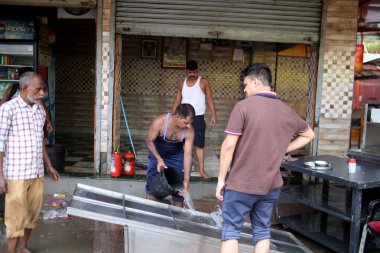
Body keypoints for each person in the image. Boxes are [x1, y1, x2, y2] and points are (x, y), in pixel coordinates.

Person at [215, 64, 315, 253]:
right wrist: (283, 148)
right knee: (262, 231)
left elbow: (228, 146)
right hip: (271, 185)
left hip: (241, 184)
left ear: (256, 82)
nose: (244, 89)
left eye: (245, 85)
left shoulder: (243, 107)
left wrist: (221, 179)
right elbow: (309, 134)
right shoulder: (287, 111)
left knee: (231, 231)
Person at [0, 72, 60, 253]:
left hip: (36, 172)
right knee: (15, 219)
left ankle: (22, 247)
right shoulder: (7, 109)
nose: (43, 92)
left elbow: (38, 141)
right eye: (38, 89)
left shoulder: (40, 110)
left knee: (32, 215)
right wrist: (0, 175)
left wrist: (48, 165)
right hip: (16, 175)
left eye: (43, 89)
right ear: (25, 89)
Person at [171, 60, 217, 179]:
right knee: (183, 144)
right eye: (189, 72)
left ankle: (201, 170)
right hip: (182, 118)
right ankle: (184, 169)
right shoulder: (182, 83)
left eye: (194, 72)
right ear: (186, 72)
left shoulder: (203, 82)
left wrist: (214, 114)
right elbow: (177, 100)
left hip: (198, 118)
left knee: (199, 146)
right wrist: (173, 115)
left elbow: (210, 99)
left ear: (197, 71)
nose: (192, 74)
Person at [145, 104, 195, 207]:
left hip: (176, 157)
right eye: (186, 123)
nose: (188, 126)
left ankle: (176, 217)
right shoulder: (161, 122)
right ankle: (150, 213)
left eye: (190, 123)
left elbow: (188, 155)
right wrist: (159, 159)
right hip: (157, 154)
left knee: (179, 192)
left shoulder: (189, 131)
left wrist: (186, 180)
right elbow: (149, 141)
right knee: (152, 190)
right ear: (177, 117)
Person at [0, 67, 53, 134]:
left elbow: (43, 108)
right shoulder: (8, 106)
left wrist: (48, 122)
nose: (42, 93)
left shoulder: (39, 108)